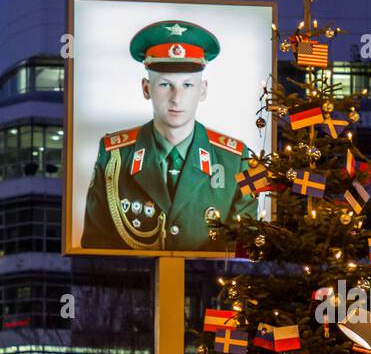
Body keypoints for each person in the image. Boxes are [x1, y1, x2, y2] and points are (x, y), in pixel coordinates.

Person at [80, 19, 256, 252]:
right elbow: (96, 246)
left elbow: (247, 248)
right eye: (165, 85)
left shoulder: (236, 159)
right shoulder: (114, 155)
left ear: (202, 90)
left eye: (188, 86)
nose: (176, 98)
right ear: (146, 88)